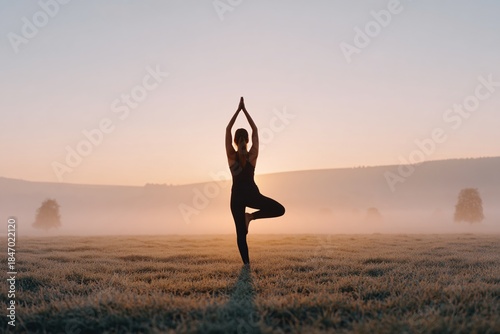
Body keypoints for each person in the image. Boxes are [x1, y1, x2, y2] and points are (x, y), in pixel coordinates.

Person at [225, 97, 285, 265]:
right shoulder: (252, 156)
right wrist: (245, 110)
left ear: (235, 141)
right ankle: (251, 217)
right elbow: (256, 130)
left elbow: (228, 129)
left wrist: (237, 111)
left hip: (236, 197)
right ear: (248, 141)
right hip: (252, 194)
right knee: (279, 210)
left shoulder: (231, 155)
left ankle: (246, 266)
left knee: (240, 234)